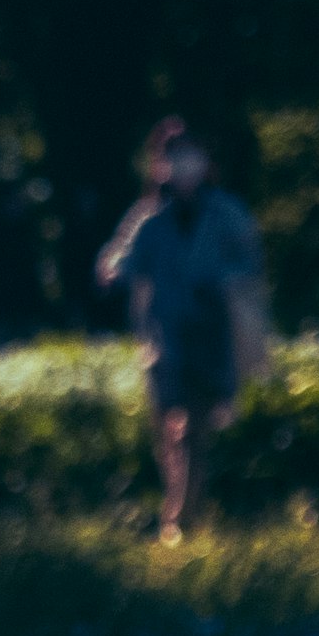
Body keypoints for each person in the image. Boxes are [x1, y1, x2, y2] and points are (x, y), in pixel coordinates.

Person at [94, 118, 266, 544]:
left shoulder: (226, 213)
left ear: (206, 162)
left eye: (192, 157)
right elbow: (120, 260)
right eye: (174, 158)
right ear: (160, 165)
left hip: (214, 337)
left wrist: (224, 283)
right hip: (165, 342)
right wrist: (114, 274)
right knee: (169, 432)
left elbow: (251, 263)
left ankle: (180, 522)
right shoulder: (151, 220)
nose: (184, 167)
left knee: (194, 430)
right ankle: (184, 512)